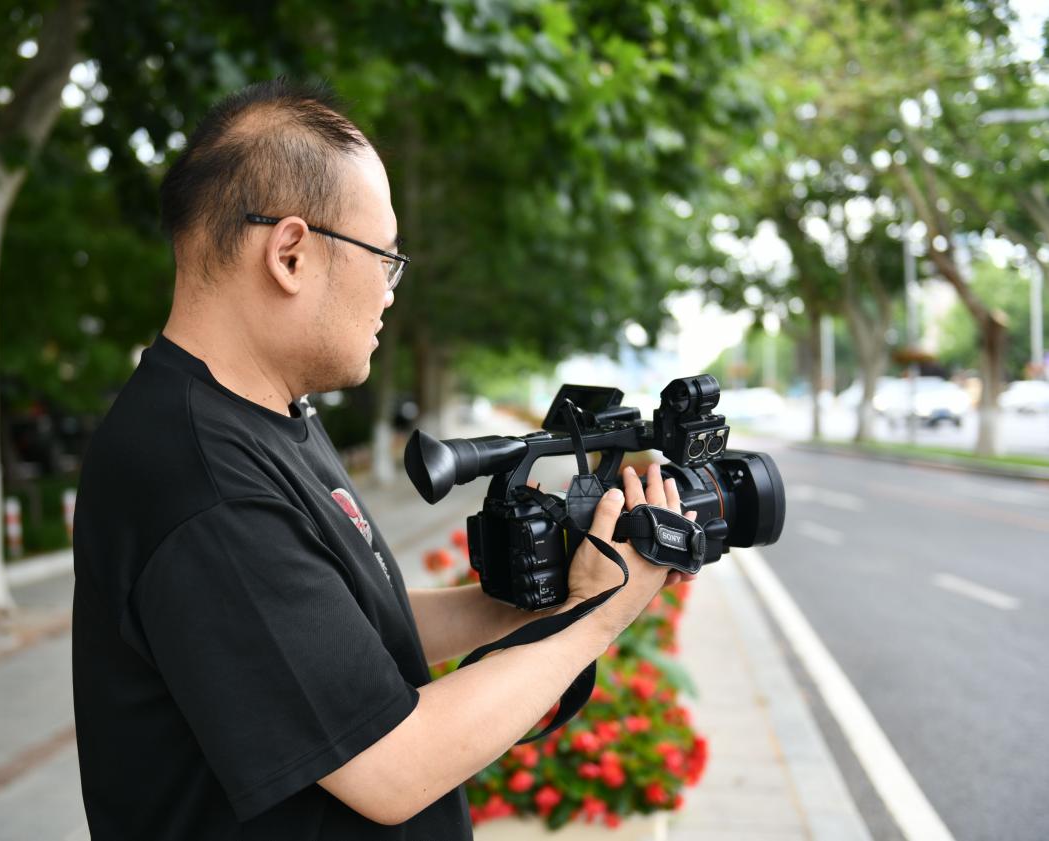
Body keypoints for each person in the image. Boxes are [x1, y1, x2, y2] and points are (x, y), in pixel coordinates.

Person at [71, 78, 695, 840]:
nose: (390, 292)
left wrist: (525, 598)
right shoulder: (201, 478)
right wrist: (599, 614)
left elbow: (342, 636)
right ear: (290, 253)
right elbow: (391, 766)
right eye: (384, 257)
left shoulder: (263, 417)